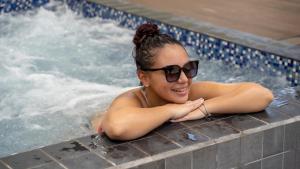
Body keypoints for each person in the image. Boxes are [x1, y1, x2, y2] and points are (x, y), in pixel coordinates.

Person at [91, 23, 274, 141]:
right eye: (171, 71)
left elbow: (262, 95)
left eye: (188, 68)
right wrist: (172, 110)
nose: (184, 79)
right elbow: (117, 127)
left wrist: (204, 108)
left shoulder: (193, 92)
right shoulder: (131, 100)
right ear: (144, 77)